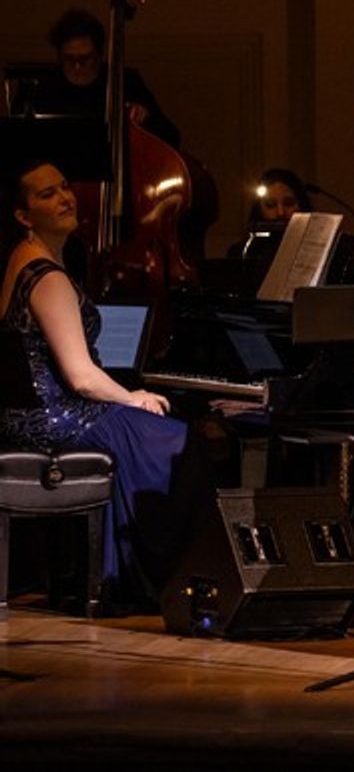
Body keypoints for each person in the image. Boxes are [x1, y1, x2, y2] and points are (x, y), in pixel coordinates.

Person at [1, 158, 206, 606]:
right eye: (46, 194)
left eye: (64, 187)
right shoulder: (46, 276)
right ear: (22, 215)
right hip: (53, 419)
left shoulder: (23, 259)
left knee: (157, 431)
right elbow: (81, 377)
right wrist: (132, 397)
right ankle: (150, 580)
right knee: (180, 440)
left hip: (29, 416)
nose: (64, 198)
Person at [32, 8, 182, 149]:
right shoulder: (42, 87)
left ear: (100, 55)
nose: (77, 66)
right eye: (69, 59)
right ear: (59, 57)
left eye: (85, 59)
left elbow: (171, 137)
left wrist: (146, 118)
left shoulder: (125, 81)